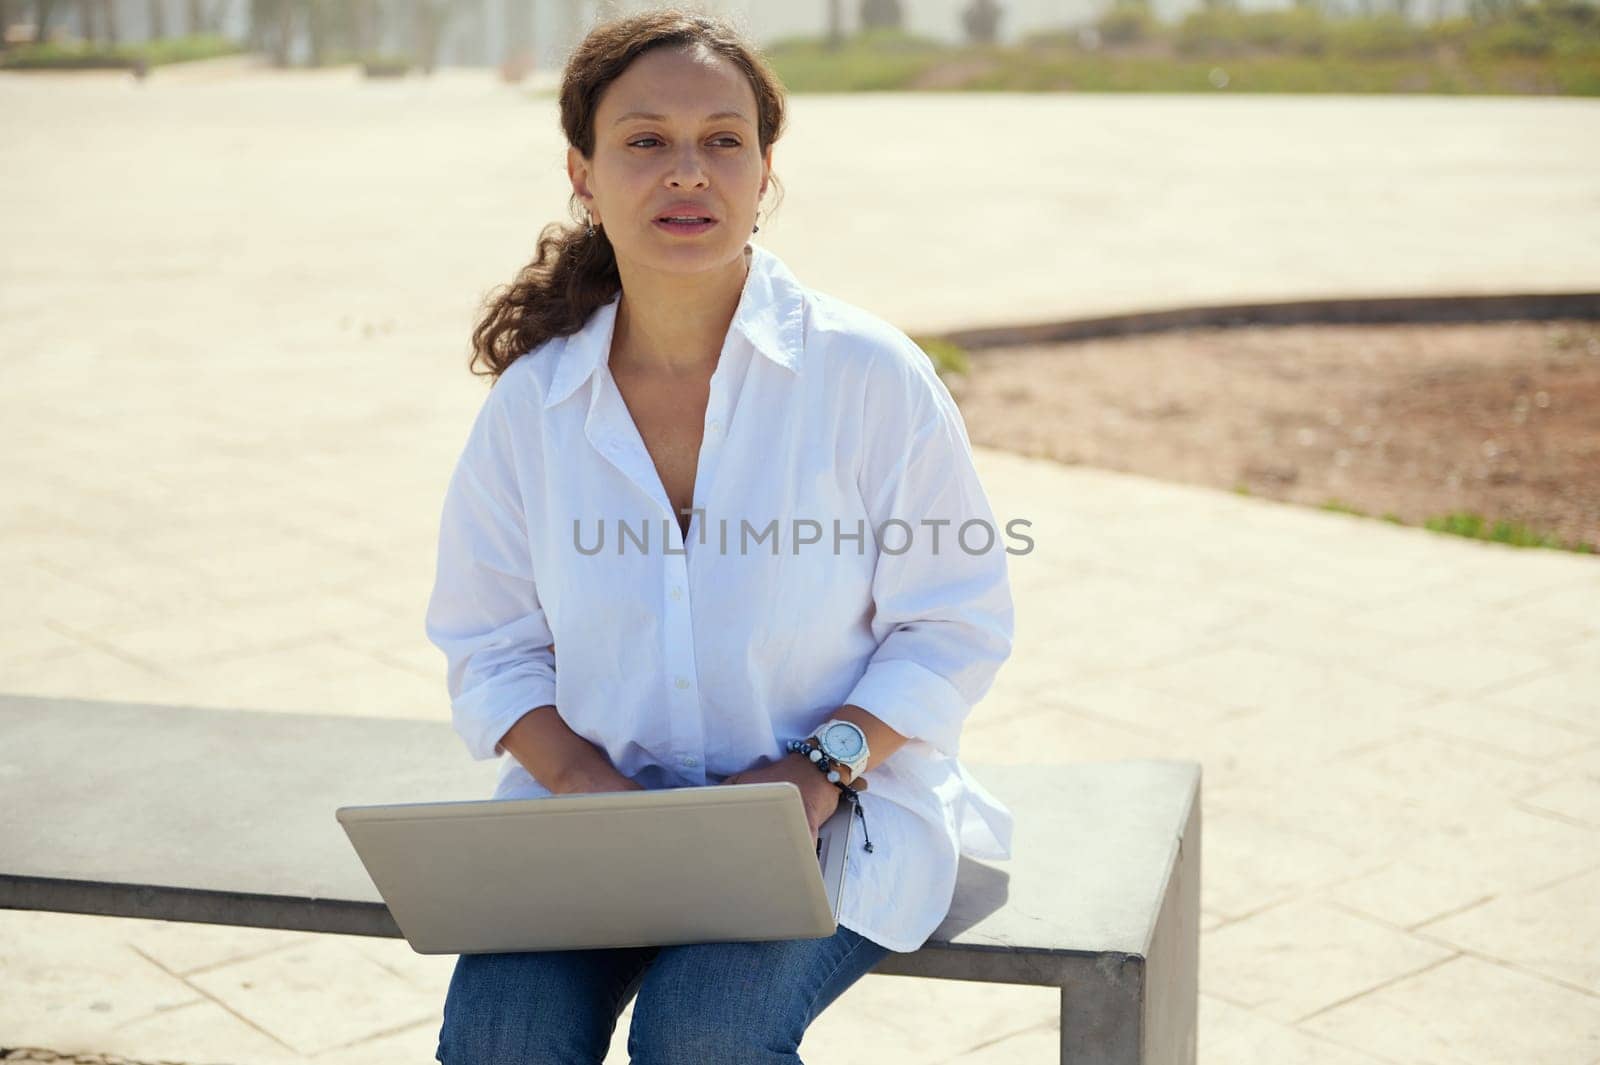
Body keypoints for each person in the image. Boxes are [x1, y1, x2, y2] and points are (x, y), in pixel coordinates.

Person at [423, 9, 1017, 1063]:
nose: (686, 172)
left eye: (721, 140)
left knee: (704, 1036)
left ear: (764, 172)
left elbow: (953, 622)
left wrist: (818, 769)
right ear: (583, 173)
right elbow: (490, 642)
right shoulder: (533, 406)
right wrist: (581, 785)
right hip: (591, 825)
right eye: (645, 141)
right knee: (499, 1045)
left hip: (834, 815)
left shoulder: (868, 376)